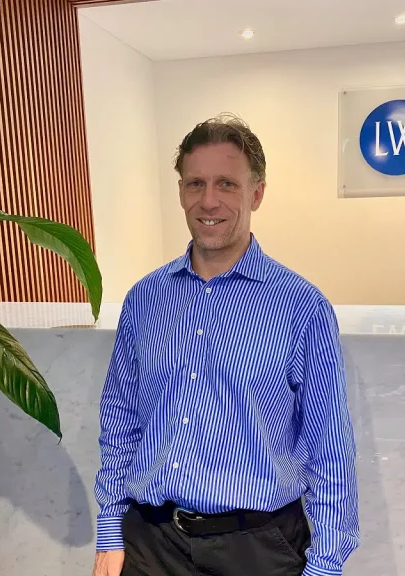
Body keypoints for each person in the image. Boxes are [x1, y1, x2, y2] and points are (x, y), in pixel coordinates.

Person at [92, 114, 359, 576]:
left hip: (258, 549)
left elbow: (328, 445)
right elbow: (120, 420)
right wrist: (111, 530)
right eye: (195, 183)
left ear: (256, 193)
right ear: (179, 192)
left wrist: (326, 565)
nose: (208, 200)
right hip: (151, 544)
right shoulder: (144, 300)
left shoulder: (300, 305)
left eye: (226, 184)